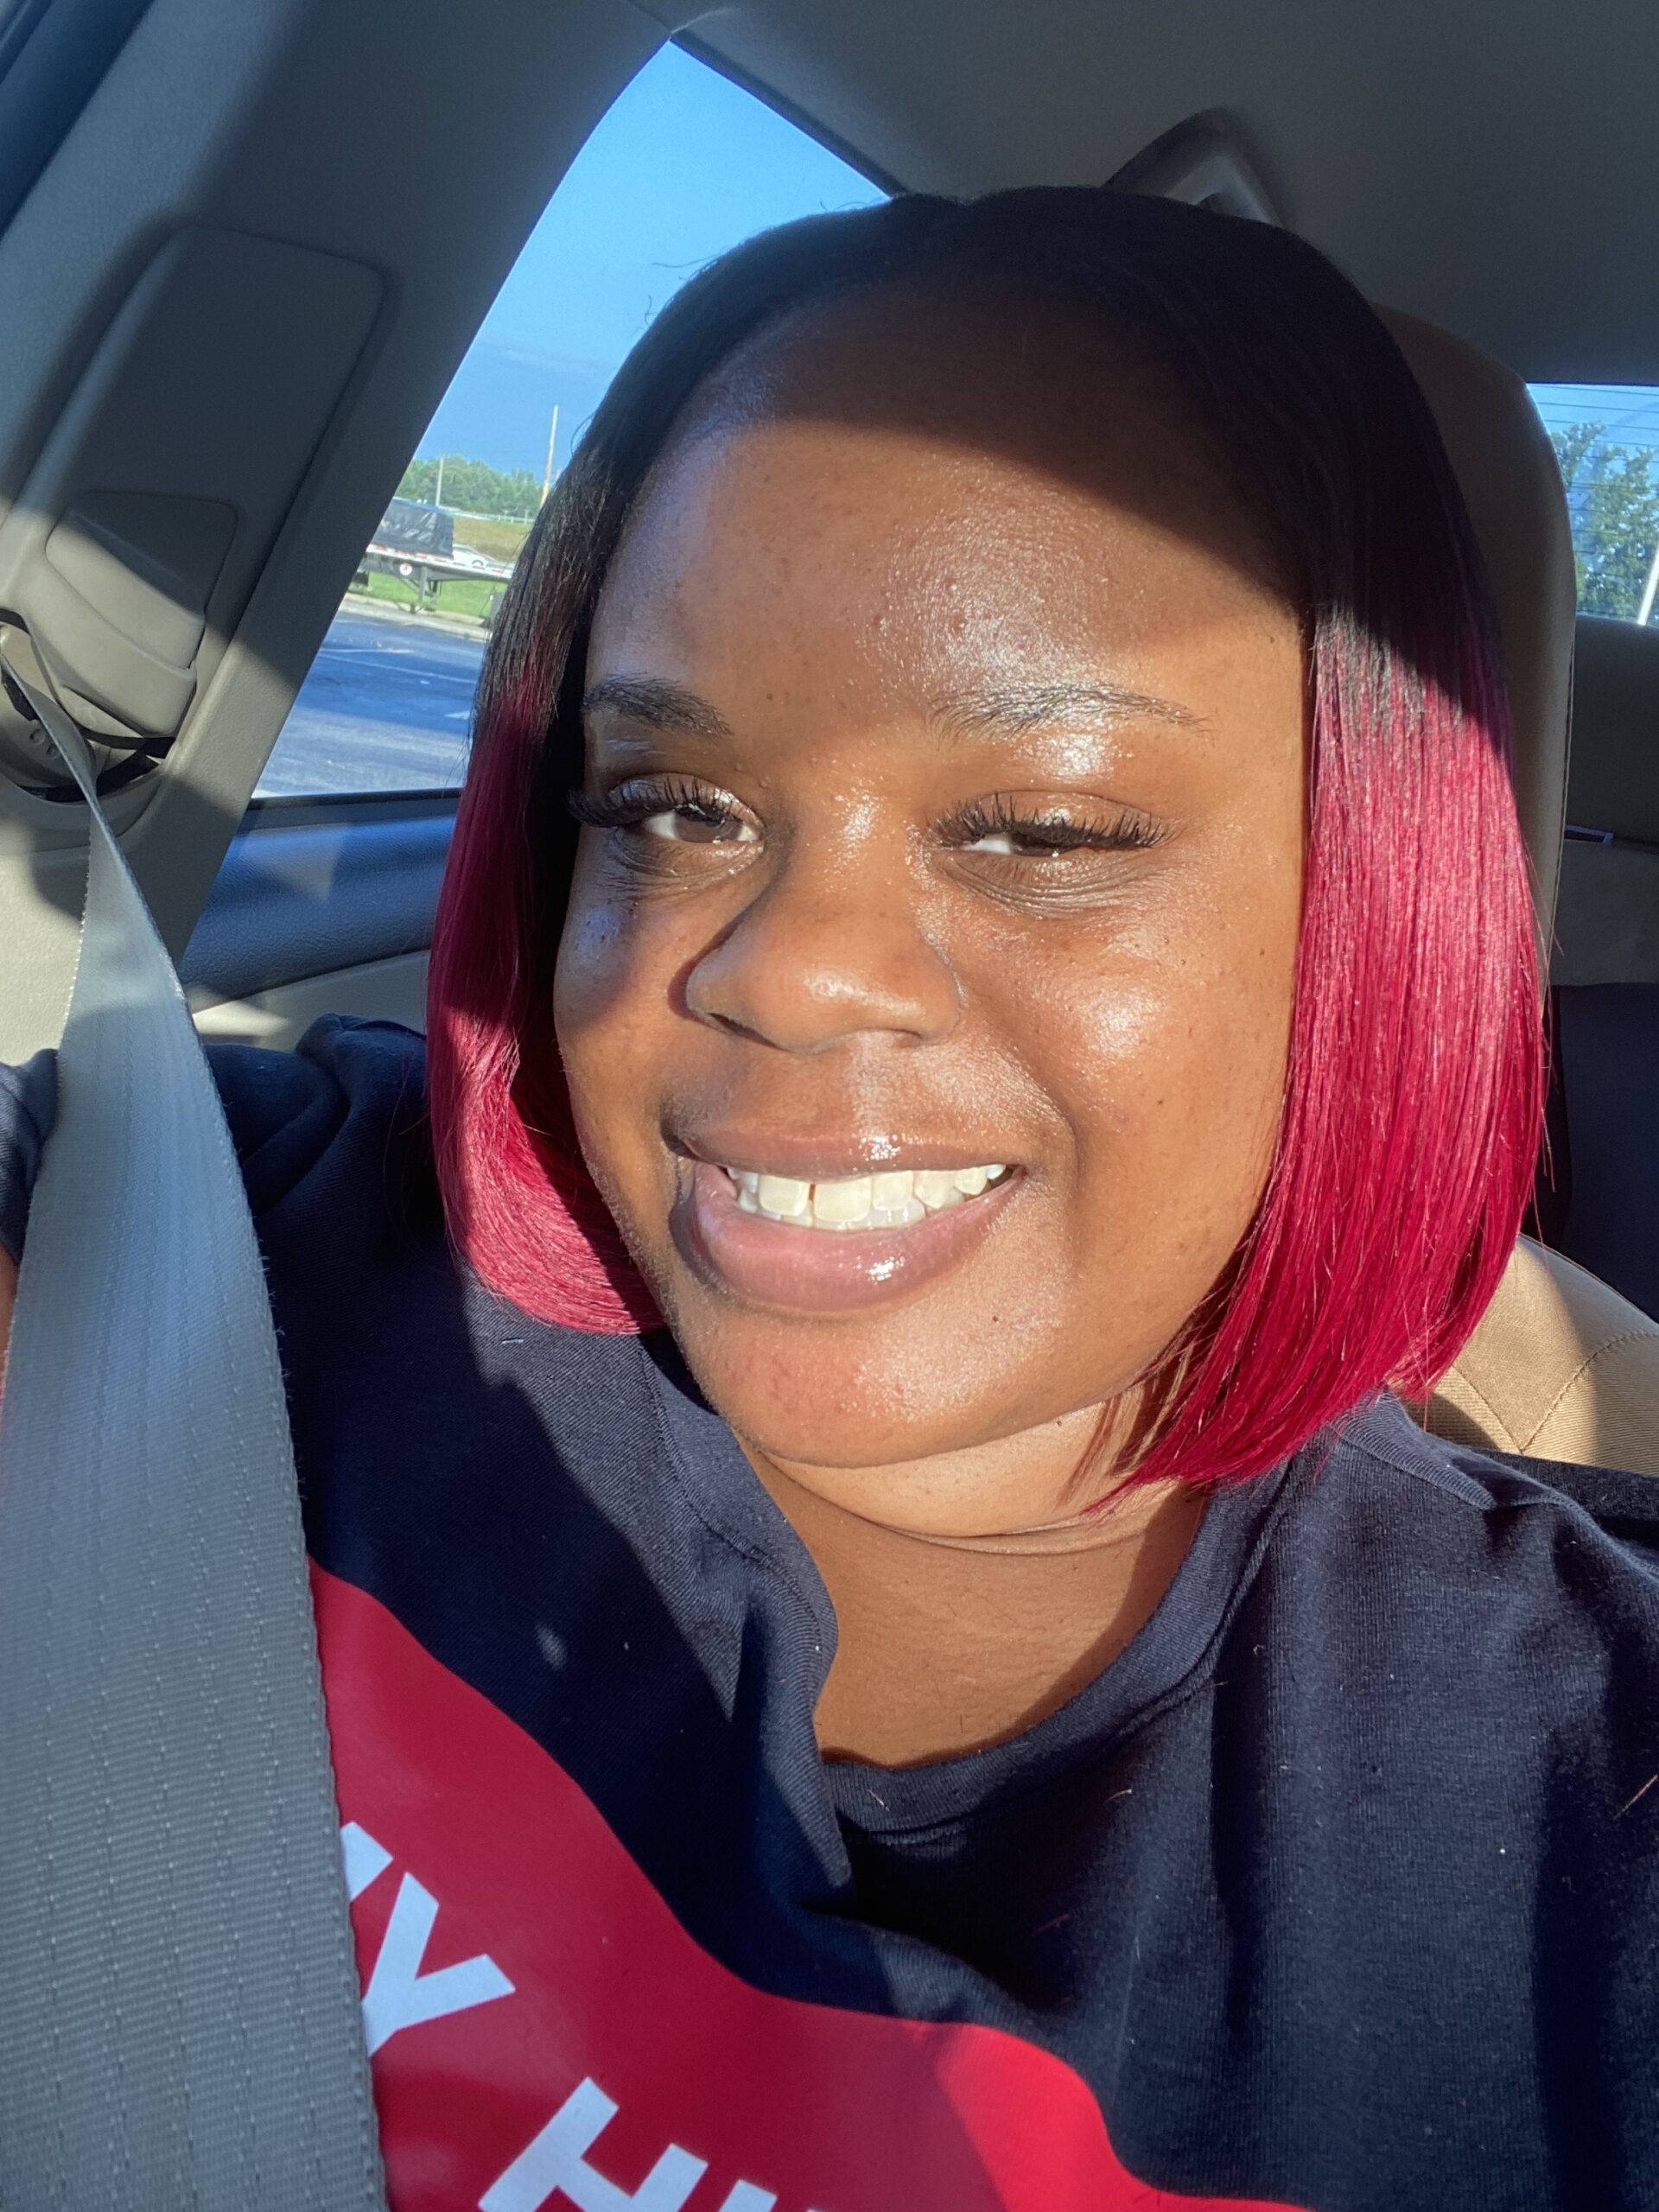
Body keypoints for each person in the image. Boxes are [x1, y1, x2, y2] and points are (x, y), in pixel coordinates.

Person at [2, 187, 1657, 2212]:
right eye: (671, 806)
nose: (778, 965)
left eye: (1044, 826)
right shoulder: (209, 1254)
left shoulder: (1590, 1813)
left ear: (1369, 925)